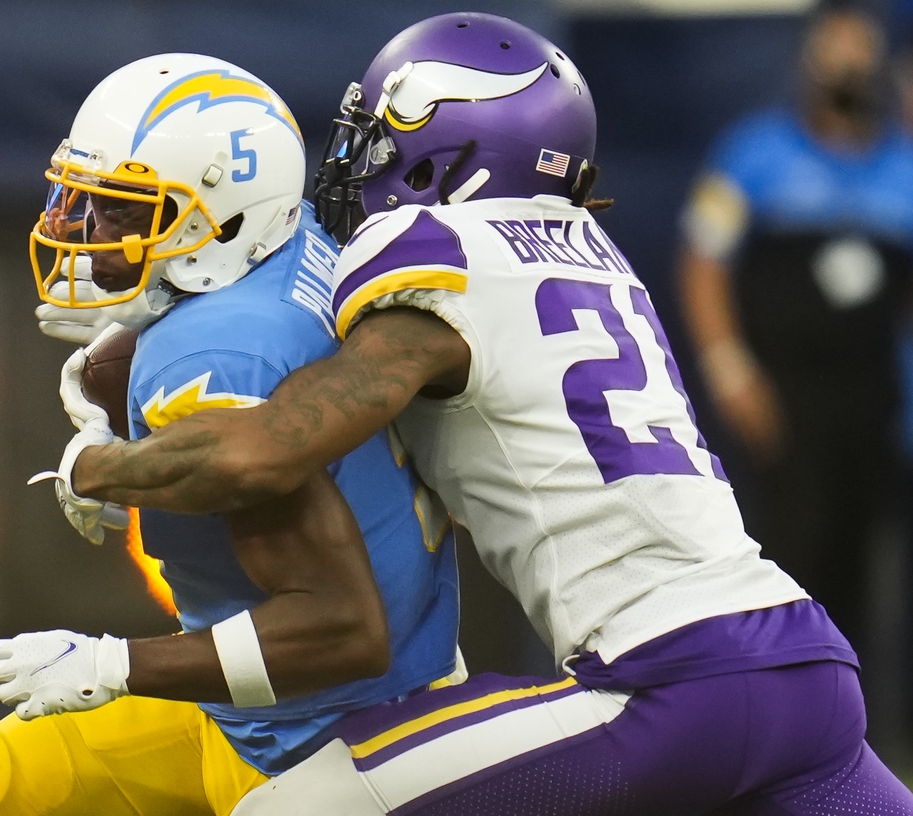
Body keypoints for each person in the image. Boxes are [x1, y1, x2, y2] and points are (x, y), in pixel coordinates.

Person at [59, 13, 913, 815]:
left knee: (293, 808)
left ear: (441, 159)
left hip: (664, 685)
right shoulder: (597, 257)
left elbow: (262, 454)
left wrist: (95, 465)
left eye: (380, 143)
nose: (357, 167)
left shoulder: (439, 257)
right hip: (807, 667)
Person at [0, 53, 459, 816]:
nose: (78, 231)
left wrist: (112, 665)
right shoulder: (288, 248)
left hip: (335, 746)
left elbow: (342, 631)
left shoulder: (218, 354)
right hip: (266, 720)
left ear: (228, 215)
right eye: (83, 201)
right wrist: (140, 326)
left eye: (122, 212)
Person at [677, 6, 913, 653]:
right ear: (807, 61)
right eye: (833, 51)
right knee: (786, 557)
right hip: (782, 401)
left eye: (859, 54)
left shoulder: (902, 167)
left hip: (872, 404)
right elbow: (703, 260)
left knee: (864, 568)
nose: (846, 68)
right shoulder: (754, 152)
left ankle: (854, 732)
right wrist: (729, 369)